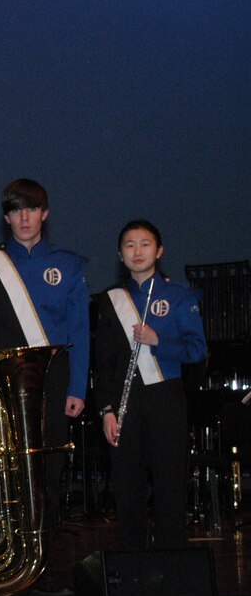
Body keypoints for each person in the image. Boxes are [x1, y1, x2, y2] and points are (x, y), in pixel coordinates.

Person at [0, 178, 88, 595]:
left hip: (55, 380)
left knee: (48, 474)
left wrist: (77, 387)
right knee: (4, 472)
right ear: (6, 218)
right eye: (16, 211)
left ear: (44, 213)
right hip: (2, 383)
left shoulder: (70, 264)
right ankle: (3, 565)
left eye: (32, 209)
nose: (24, 217)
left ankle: (41, 569)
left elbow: (80, 331)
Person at [95, 220, 207, 550]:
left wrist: (159, 341)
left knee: (169, 483)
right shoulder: (110, 300)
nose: (137, 251)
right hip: (125, 404)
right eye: (130, 245)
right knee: (127, 486)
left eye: (145, 244)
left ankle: (172, 561)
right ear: (120, 254)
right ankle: (133, 564)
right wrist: (106, 410)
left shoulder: (179, 295)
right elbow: (103, 365)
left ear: (159, 251)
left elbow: (197, 350)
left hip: (166, 399)